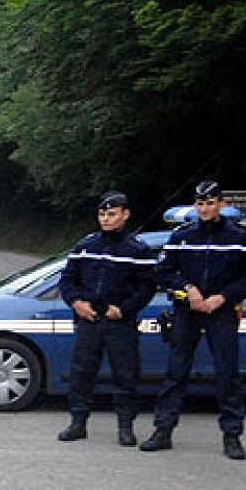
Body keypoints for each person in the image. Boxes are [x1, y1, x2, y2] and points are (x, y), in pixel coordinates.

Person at [141, 180, 246, 459]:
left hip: (222, 311)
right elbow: (163, 272)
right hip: (187, 311)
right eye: (200, 203)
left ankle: (232, 436)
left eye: (210, 203)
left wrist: (222, 297)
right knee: (175, 372)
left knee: (227, 374)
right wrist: (187, 289)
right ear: (194, 206)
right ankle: (163, 430)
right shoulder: (182, 236)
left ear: (221, 204)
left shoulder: (241, 237)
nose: (205, 209)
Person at [56, 190, 158, 446]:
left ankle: (126, 427)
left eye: (112, 214)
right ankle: (78, 423)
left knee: (126, 376)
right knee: (81, 373)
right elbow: (68, 280)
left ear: (125, 215)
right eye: (102, 214)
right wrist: (76, 303)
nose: (106, 219)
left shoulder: (137, 250)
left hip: (119, 321)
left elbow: (146, 288)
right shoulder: (86, 246)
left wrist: (124, 310)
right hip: (89, 318)